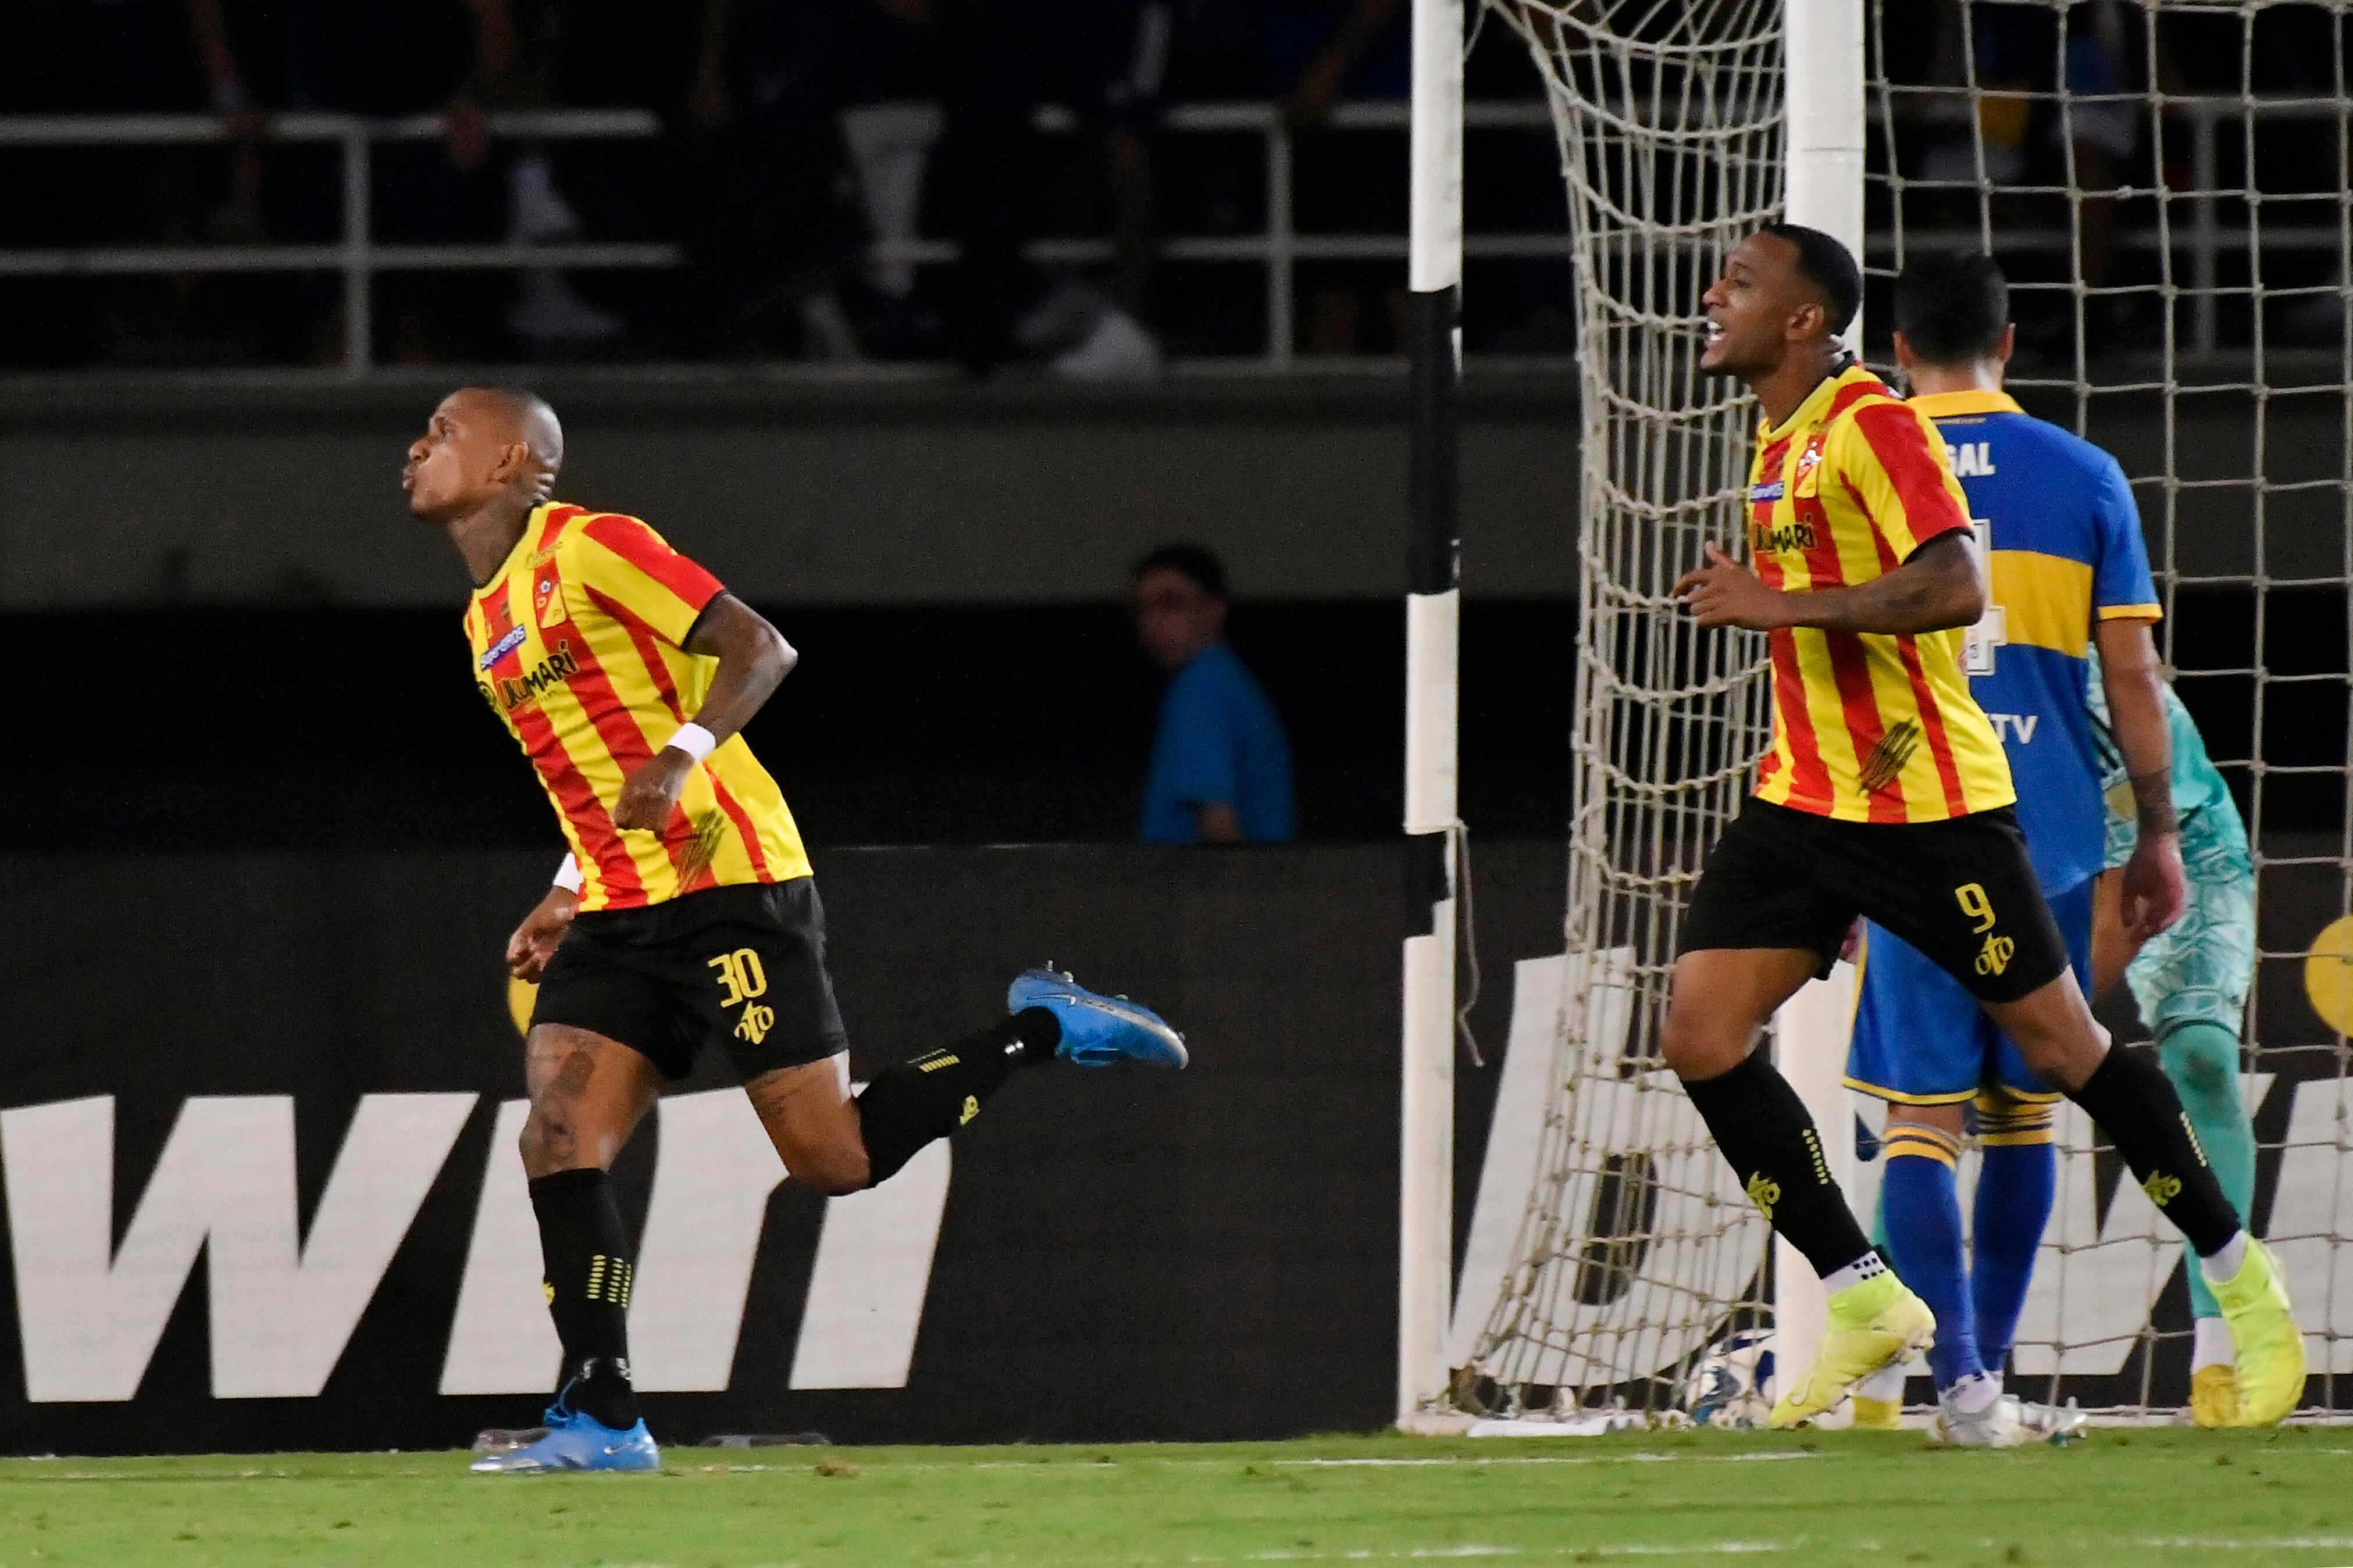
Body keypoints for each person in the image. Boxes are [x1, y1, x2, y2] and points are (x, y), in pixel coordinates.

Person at [404, 387, 1188, 1474]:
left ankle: (1043, 1028)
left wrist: (682, 754)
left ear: (510, 462)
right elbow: (592, 773)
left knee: (834, 1156)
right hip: (623, 912)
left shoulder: (592, 548)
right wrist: (570, 885)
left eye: (442, 432)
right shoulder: (484, 620)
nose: (417, 448)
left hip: (732, 883)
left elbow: (760, 648)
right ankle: (603, 1413)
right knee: (556, 1135)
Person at [1662, 223, 2305, 1430]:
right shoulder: (1777, 437)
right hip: (1806, 798)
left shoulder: (1874, 422)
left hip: (1932, 811)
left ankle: (2238, 1272)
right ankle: (1862, 1295)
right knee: (1699, 1032)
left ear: (1808, 321)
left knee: (2064, 1055)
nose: (1714, 296)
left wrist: (1775, 604)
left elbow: (1957, 584)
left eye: (1740, 283)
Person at [1840, 252, 2176, 1442]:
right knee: (2028, 1111)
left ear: (1894, 348)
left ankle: (1958, 1379)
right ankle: (1982, 1380)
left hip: (1903, 823)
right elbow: (2131, 674)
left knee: (1920, 1119)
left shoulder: (1858, 460)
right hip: (2047, 837)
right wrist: (2158, 828)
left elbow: (1818, 668)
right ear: (2012, 343)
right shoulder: (2083, 475)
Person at [2088, 651, 2261, 1427]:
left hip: (2175, 828)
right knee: (1951, 1089)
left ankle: (2219, 1358)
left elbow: (2132, 656)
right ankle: (1926, 1369)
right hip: (2013, 838)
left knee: (2201, 1056)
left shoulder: (2076, 541)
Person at [1135, 544, 1295, 845]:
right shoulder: (1233, 683)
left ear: (1214, 610)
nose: (1153, 623)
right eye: (1143, 608)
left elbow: (1219, 827)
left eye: (1171, 604)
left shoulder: (1199, 690)